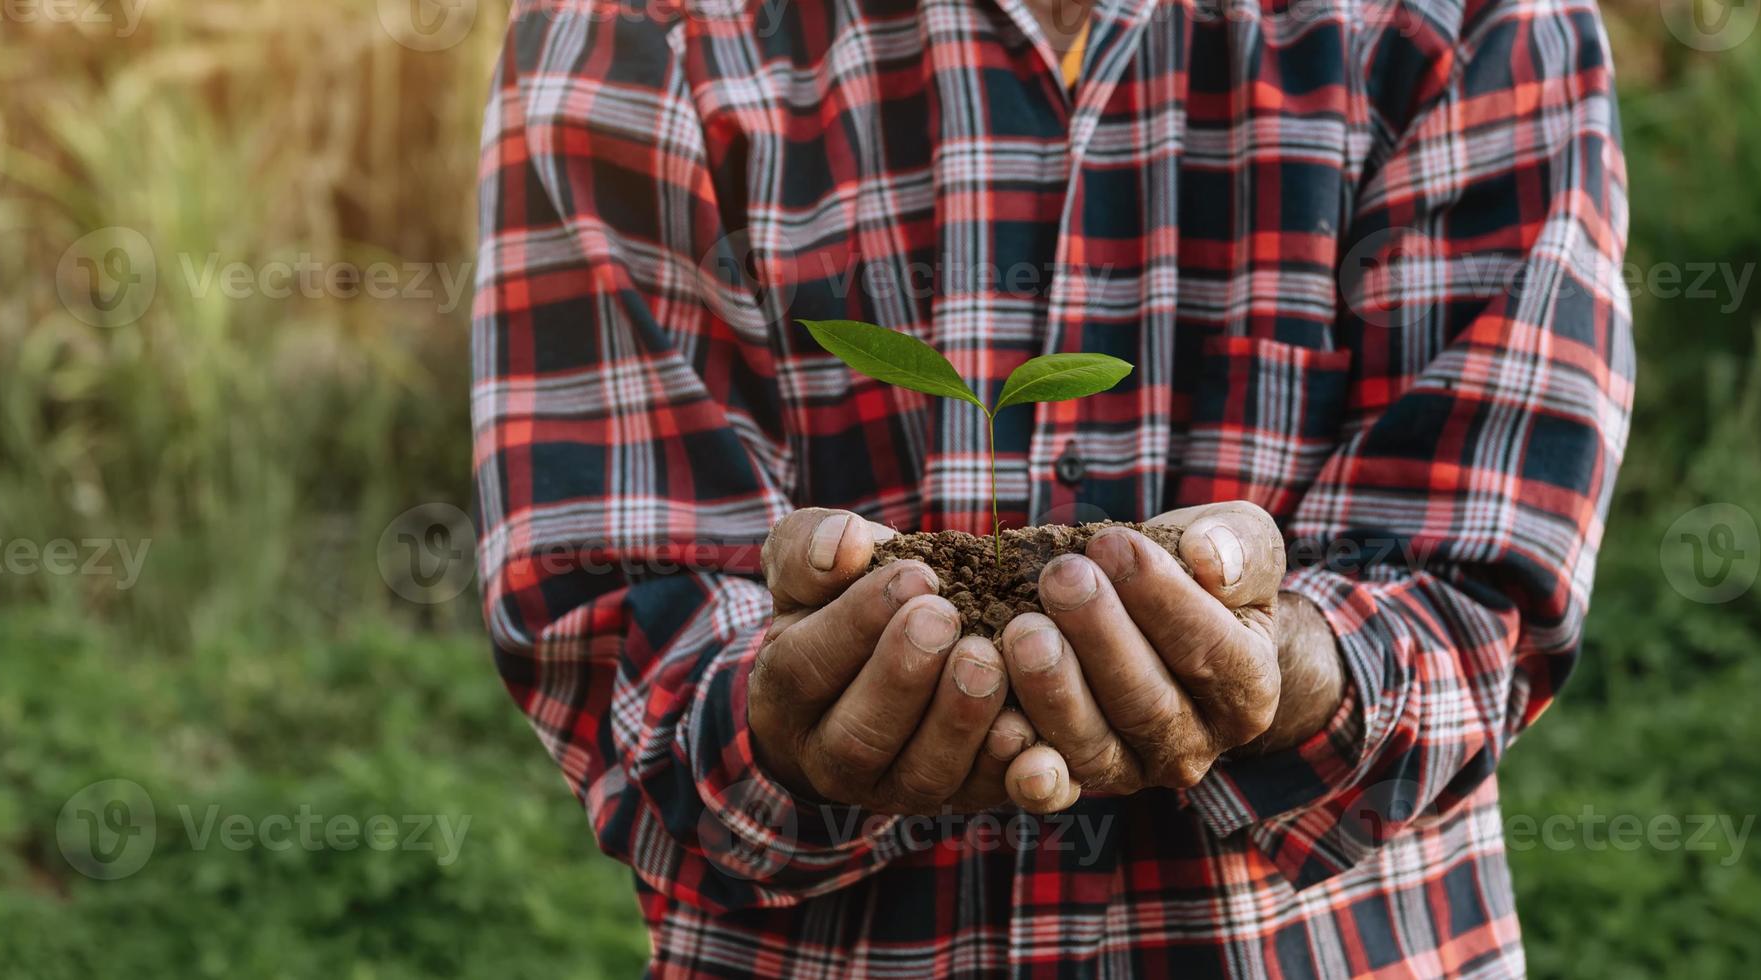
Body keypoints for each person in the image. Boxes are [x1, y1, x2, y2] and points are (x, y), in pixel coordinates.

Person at [470, 0, 1631, 974]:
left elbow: (1476, 572)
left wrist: (1297, 662)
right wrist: (772, 722)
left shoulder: (1462, 17)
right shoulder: (636, 26)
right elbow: (615, 605)